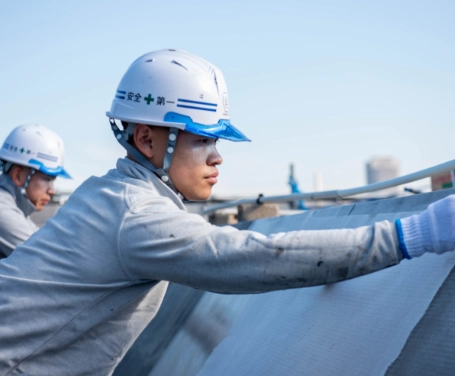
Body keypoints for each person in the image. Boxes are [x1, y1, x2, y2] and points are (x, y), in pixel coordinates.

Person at [0, 49, 454, 375]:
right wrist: (415, 233)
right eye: (201, 139)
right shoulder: (135, 214)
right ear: (146, 140)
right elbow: (251, 257)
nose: (217, 157)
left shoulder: (109, 194)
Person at [0, 124, 71, 258]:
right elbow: (50, 258)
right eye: (47, 179)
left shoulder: (16, 209)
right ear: (18, 176)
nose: (52, 190)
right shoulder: (3, 211)